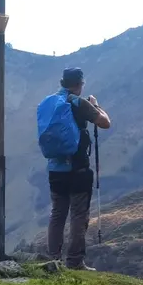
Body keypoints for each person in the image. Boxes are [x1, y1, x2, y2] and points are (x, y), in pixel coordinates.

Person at [35, 67, 111, 269]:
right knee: (78, 215)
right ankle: (75, 261)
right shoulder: (78, 102)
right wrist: (97, 106)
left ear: (62, 82)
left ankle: (53, 259)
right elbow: (105, 123)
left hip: (55, 169)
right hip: (77, 169)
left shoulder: (49, 102)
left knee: (57, 213)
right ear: (79, 84)